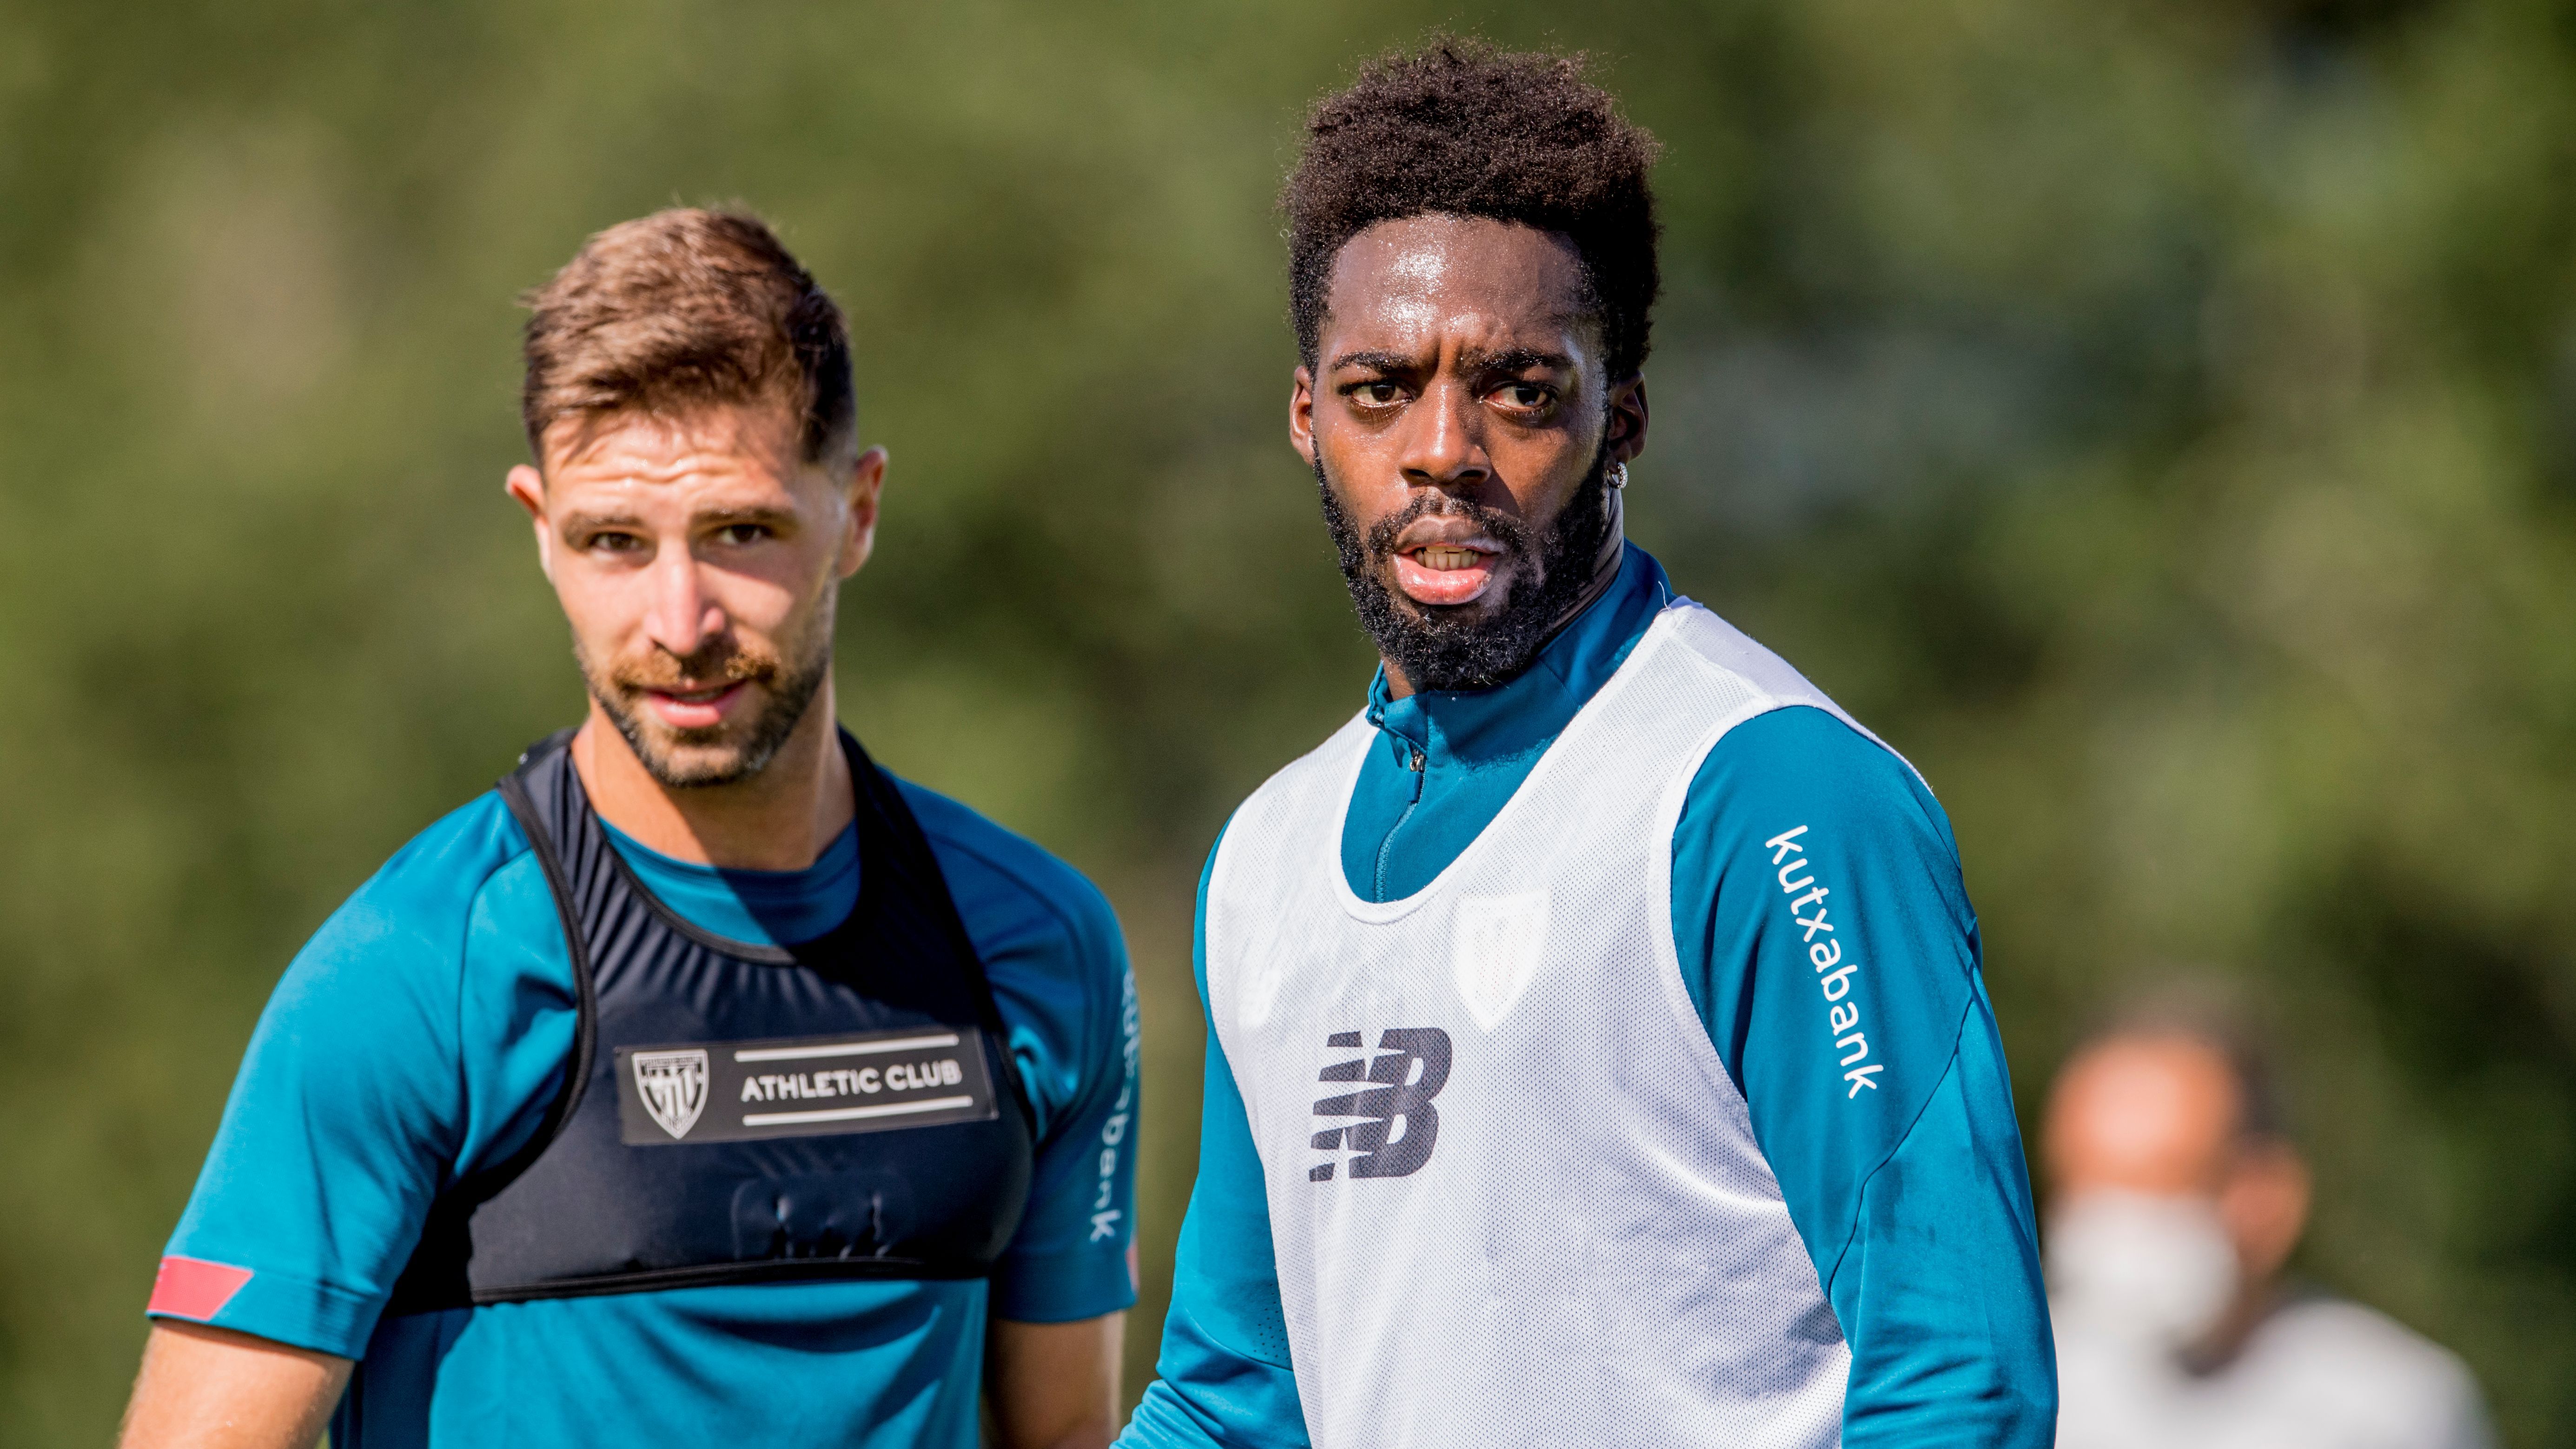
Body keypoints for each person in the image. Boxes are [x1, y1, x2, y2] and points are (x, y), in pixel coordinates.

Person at [1118, 41, 2054, 1449]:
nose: (1442, 446)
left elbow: (1957, 1380)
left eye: (1518, 388)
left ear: (1619, 417)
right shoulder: (1264, 858)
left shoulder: (1771, 795)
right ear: (1308, 417)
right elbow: (1234, 1398)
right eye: (1381, 388)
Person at [117, 209, 1139, 1449]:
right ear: (539, 529)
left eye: (741, 533)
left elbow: (1066, 1433)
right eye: (614, 541)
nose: (679, 617)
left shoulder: (1038, 944)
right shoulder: (412, 971)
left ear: (858, 512)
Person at [2045, 1013, 2493, 1449]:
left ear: (2269, 1195)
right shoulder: (2018, 1387)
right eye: (2079, 1178)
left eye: (2162, 1181)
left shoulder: (2400, 1408)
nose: (2113, 1219)